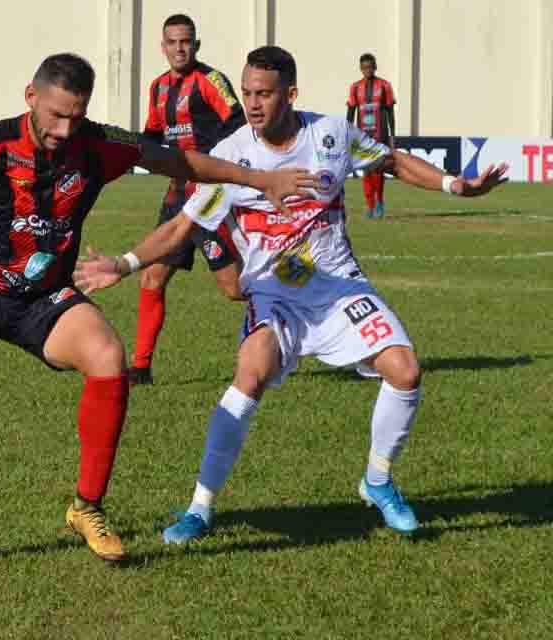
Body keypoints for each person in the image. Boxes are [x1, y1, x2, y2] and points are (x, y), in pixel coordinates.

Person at [0, 52, 315, 562]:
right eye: (56, 115)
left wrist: (260, 180)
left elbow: (179, 160)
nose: (64, 129)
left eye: (76, 116)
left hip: (45, 298)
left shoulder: (99, 144)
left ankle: (87, 506)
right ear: (30, 97)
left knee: (107, 355)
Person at [74, 46, 507, 543]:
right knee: (250, 373)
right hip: (273, 294)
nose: (253, 103)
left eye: (264, 93)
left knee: (405, 370)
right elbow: (181, 227)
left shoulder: (330, 136)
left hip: (336, 287)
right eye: (248, 93)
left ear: (291, 94)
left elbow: (391, 162)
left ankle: (378, 482)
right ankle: (200, 508)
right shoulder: (235, 157)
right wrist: (124, 264)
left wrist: (456, 185)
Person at [128, 13, 247, 387]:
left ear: (196, 45)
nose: (180, 48)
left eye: (186, 41)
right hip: (176, 198)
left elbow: (239, 126)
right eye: (173, 42)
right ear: (163, 47)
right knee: (152, 276)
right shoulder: (158, 88)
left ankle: (294, 306)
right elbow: (150, 136)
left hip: (210, 200)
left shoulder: (210, 81)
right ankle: (141, 368)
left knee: (233, 289)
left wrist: (222, 174)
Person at [347, 52, 396, 219]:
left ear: (375, 67)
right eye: (364, 67)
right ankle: (370, 206)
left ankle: (380, 202)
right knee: (366, 170)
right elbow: (350, 112)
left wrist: (392, 136)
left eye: (370, 67)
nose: (367, 70)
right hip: (362, 135)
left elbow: (390, 112)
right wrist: (348, 134)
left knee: (378, 170)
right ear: (361, 69)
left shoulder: (384, 86)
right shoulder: (355, 87)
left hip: (380, 134)